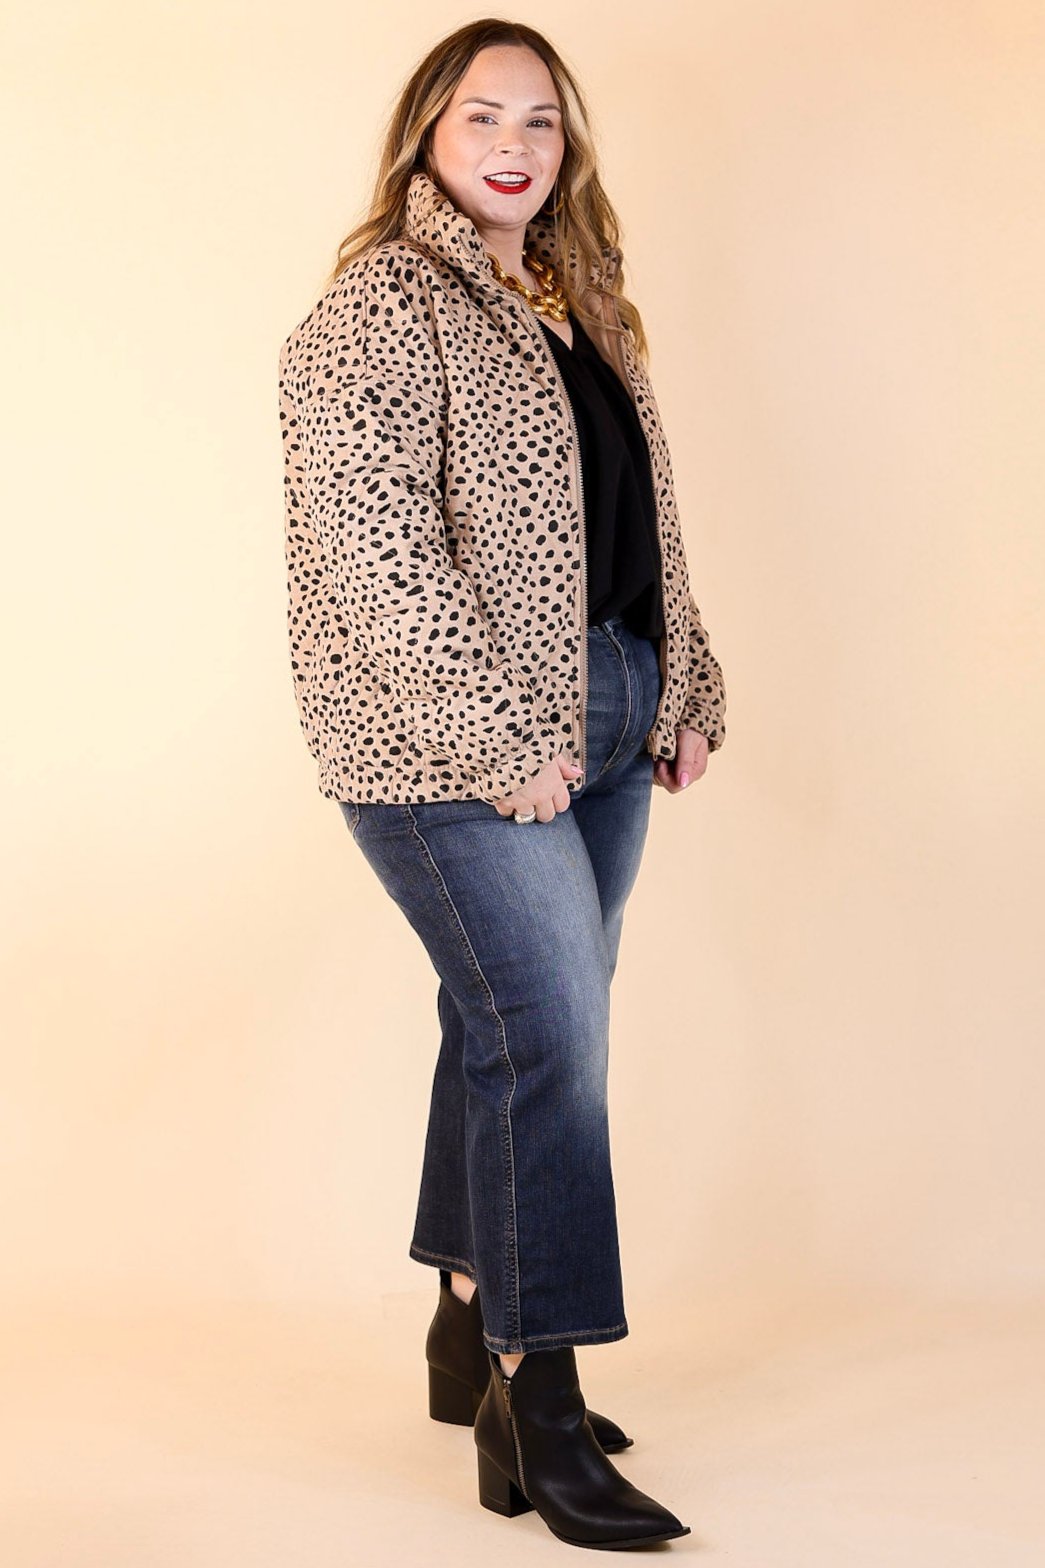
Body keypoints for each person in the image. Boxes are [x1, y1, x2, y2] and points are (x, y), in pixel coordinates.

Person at [277, 19, 725, 1551]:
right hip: (445, 744)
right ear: (426, 131)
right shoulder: (377, 307)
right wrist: (494, 739)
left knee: (518, 1027)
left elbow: (641, 525)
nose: (514, 143)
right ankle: (538, 1402)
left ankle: (469, 1319)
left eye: (541, 118)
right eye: (482, 115)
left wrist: (682, 685)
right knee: (552, 1049)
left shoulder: (579, 298)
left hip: (603, 717)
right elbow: (373, 553)